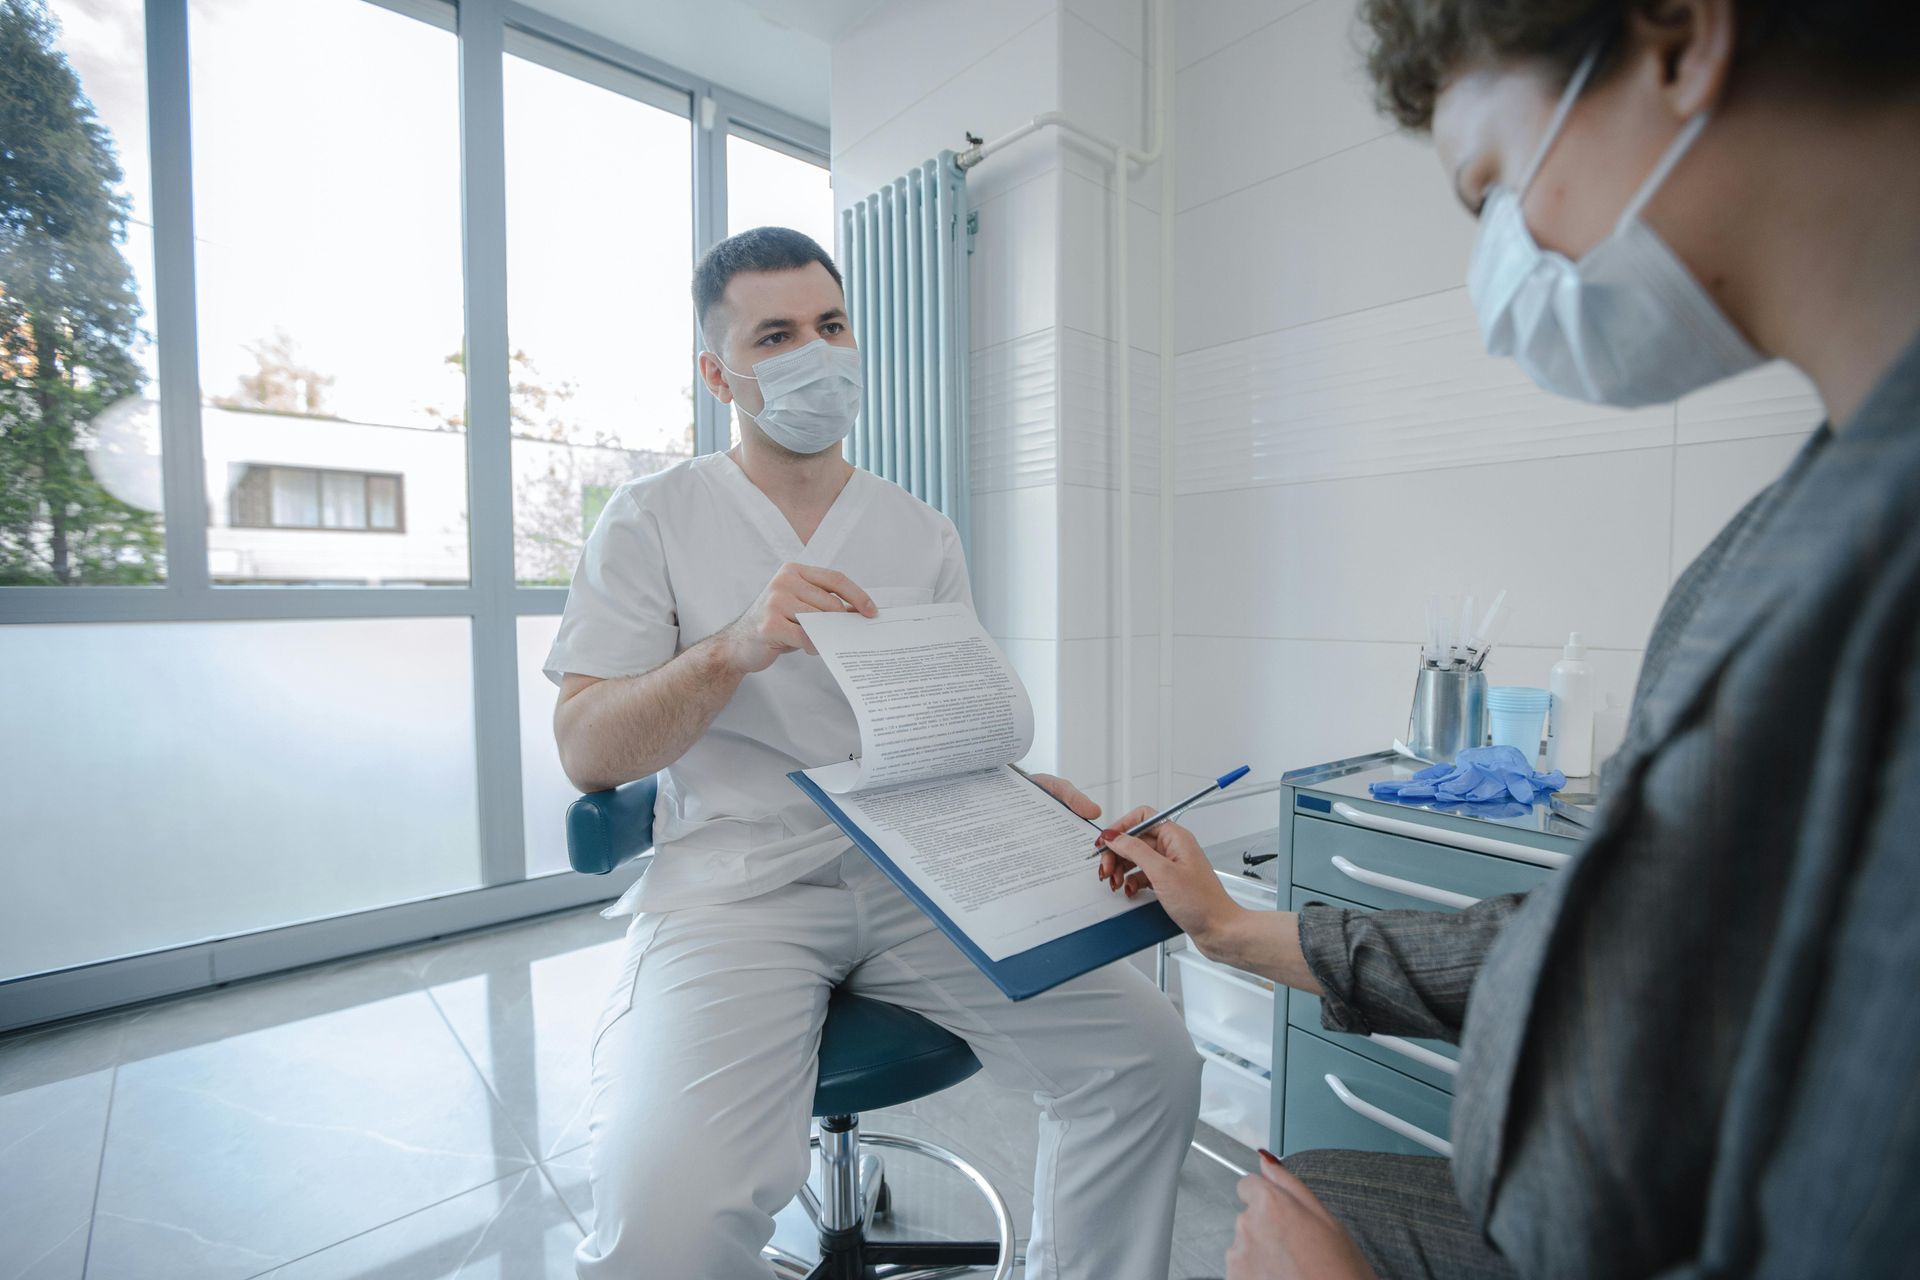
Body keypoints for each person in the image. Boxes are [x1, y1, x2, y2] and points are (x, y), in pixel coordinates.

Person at [1096, 0, 1920, 1276]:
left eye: (1492, 187)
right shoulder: (1796, 515)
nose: (1507, 272)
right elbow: (1612, 928)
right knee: (1315, 1179)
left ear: (1677, 40)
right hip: (1565, 1204)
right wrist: (1234, 927)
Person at [548, 226, 1201, 1280]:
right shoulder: (652, 519)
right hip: (740, 881)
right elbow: (585, 749)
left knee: (1150, 1057)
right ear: (720, 373)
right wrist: (734, 649)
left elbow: (945, 732)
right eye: (776, 334)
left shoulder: (918, 531)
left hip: (918, 871)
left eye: (831, 324)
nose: (818, 352)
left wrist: (1029, 803)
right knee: (660, 1227)